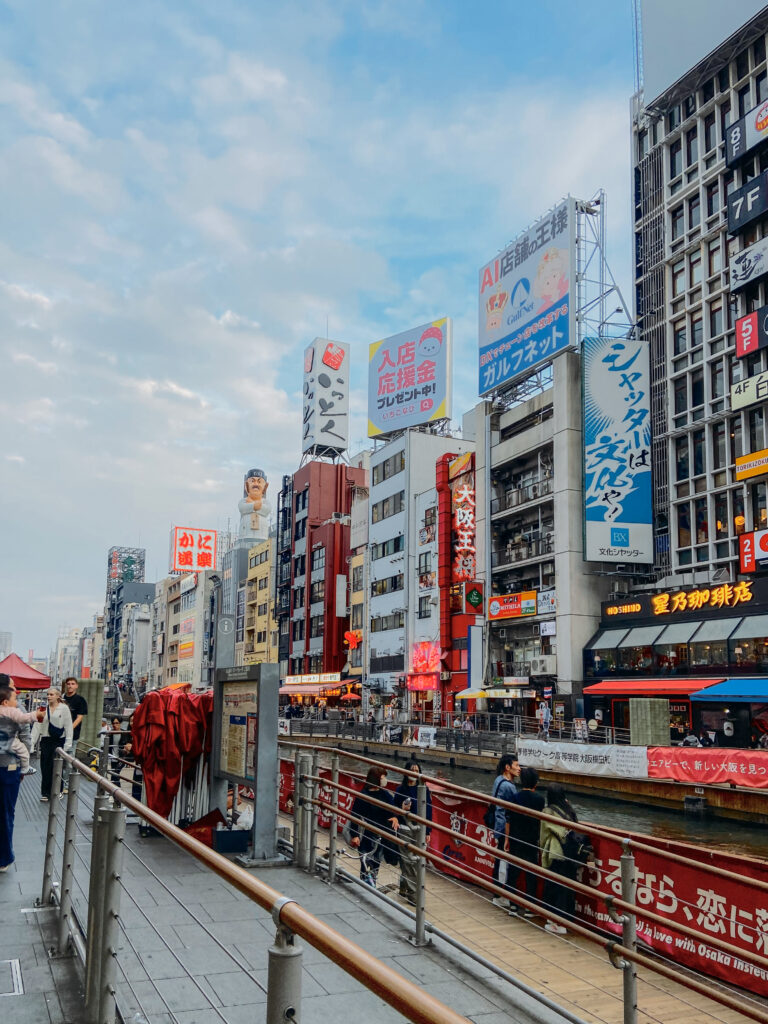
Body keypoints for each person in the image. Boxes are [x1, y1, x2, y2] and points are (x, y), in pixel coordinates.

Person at [0, 679, 45, 871]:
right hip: (9, 767)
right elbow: (26, 738)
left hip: (9, 767)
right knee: (5, 813)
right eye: (12, 687)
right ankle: (4, 858)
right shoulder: (15, 710)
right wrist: (22, 765)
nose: (16, 690)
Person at [347, 766, 400, 889]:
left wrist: (395, 817)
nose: (385, 780)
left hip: (380, 833)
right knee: (365, 861)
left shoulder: (384, 794)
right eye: (383, 778)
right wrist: (354, 835)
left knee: (376, 862)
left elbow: (393, 808)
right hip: (365, 834)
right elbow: (355, 815)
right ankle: (364, 884)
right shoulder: (363, 795)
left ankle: (372, 885)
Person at [540, 783, 580, 934]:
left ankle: (557, 923)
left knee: (555, 886)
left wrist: (542, 849)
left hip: (556, 852)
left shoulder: (548, 811)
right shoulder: (569, 810)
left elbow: (543, 835)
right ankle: (568, 920)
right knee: (568, 887)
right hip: (571, 853)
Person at [505, 766, 545, 916]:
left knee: (513, 872)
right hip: (532, 839)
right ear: (535, 782)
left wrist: (507, 839)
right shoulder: (540, 800)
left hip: (516, 838)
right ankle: (530, 907)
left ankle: (513, 905)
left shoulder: (515, 797)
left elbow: (508, 818)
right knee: (531, 873)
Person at [393, 760, 433, 904]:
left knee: (416, 862)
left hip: (420, 829)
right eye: (412, 770)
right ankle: (414, 895)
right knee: (407, 861)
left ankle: (405, 886)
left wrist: (428, 830)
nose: (414, 773)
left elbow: (428, 810)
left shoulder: (424, 789)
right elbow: (394, 809)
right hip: (405, 828)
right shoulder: (400, 790)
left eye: (417, 771)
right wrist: (402, 809)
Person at [30, 688, 73, 801]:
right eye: (48, 694)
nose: (49, 696)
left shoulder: (64, 708)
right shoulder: (43, 708)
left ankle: (58, 790)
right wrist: (32, 743)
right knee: (45, 767)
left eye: (51, 694)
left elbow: (68, 726)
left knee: (57, 766)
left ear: (58, 696)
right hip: (46, 739)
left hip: (59, 740)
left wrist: (68, 744)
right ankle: (45, 792)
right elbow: (37, 726)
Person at [490, 754, 520, 909]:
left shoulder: (497, 780)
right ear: (507, 767)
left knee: (499, 859)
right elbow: (515, 807)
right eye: (516, 765)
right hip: (505, 828)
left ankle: (497, 893)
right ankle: (501, 895)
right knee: (504, 862)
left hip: (497, 824)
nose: (519, 769)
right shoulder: (509, 786)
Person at [63, 676, 88, 747]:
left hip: (72, 734)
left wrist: (69, 729)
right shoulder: (61, 698)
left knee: (70, 755)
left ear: (76, 686)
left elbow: (79, 718)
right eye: (68, 684)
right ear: (66, 685)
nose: (70, 686)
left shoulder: (80, 700)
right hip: (58, 733)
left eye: (72, 684)